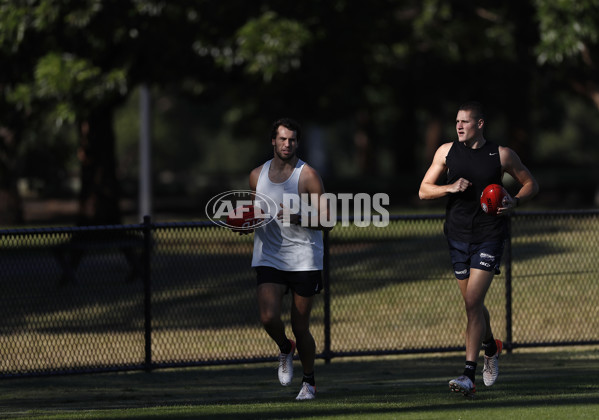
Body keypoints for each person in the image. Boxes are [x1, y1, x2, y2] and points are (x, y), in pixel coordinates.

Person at [418, 101, 539, 397]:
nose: (459, 126)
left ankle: (468, 376)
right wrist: (449, 188)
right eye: (457, 121)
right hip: (457, 237)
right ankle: (490, 346)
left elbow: (530, 183)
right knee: (472, 305)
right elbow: (423, 190)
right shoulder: (446, 152)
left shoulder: (501, 155)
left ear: (480, 124)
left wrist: (515, 201)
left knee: (473, 301)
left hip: (489, 235)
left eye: (465, 122)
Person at [247, 117, 332, 400]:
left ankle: (309, 382)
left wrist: (299, 217)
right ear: (273, 141)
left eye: (292, 139)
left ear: (297, 142)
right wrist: (243, 223)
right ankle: (285, 347)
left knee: (300, 325)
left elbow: (328, 220)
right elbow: (256, 214)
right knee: (268, 317)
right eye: (282, 139)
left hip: (304, 259)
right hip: (269, 256)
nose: (287, 144)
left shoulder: (307, 175)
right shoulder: (256, 176)